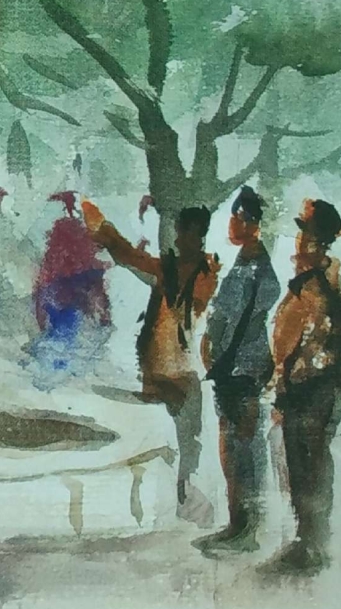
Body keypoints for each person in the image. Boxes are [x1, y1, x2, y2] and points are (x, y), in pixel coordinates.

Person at [85, 197, 219, 516]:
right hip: (163, 371)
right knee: (170, 444)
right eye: (179, 232)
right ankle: (176, 506)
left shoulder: (205, 273)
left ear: (197, 235)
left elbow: (194, 302)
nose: (179, 240)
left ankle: (187, 505)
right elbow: (133, 258)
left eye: (184, 233)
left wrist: (107, 234)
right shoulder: (173, 269)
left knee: (187, 447)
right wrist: (105, 232)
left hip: (183, 373)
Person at [268, 197, 341, 574]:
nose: (300, 241)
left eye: (306, 234)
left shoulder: (319, 287)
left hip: (310, 391)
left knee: (307, 465)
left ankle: (310, 545)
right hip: (303, 389)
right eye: (301, 234)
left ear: (318, 240)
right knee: (301, 465)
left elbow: (313, 345)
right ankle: (307, 540)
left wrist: (286, 384)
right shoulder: (310, 282)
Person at [196, 187, 282, 556]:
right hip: (231, 367)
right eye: (233, 216)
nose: (232, 224)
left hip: (241, 367)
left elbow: (242, 317)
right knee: (233, 446)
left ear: (251, 223)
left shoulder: (257, 269)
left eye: (238, 218)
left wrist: (220, 356)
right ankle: (237, 525)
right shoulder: (243, 262)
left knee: (242, 446)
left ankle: (245, 529)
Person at [31, 190, 112, 378]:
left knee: (60, 340)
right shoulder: (81, 265)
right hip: (67, 303)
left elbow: (41, 296)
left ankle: (56, 365)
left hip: (64, 302)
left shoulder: (58, 265)